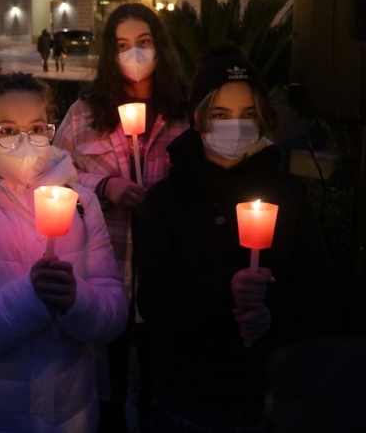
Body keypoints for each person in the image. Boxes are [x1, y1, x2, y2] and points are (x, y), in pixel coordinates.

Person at [0, 72, 129, 432]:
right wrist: (29, 297)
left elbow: (113, 313)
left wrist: (78, 299)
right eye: (7, 130)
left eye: (36, 128)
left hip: (70, 415)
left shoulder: (81, 204)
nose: (25, 142)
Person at [136, 52, 339, 432]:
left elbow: (320, 291)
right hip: (190, 392)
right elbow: (153, 300)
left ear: (261, 116)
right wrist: (224, 289)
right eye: (221, 114)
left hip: (269, 394)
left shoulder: (289, 193)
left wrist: (271, 312)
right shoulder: (166, 199)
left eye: (247, 114)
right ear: (198, 117)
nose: (236, 126)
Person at [53, 2, 188, 433]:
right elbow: (53, 177)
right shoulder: (84, 115)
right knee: (104, 387)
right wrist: (104, 187)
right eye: (123, 45)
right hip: (104, 273)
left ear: (160, 47)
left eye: (144, 43)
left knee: (161, 383)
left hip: (165, 275)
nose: (134, 54)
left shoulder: (184, 116)